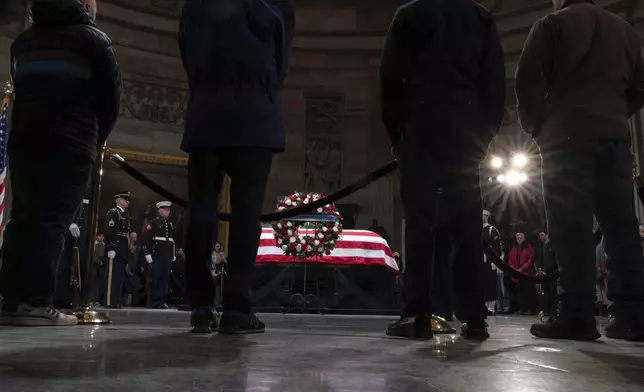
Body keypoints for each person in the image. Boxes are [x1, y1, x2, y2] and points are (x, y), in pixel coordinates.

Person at [516, 0, 644, 341]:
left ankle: (577, 315)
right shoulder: (625, 30)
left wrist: (537, 129)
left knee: (570, 229)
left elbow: (527, 82)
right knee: (622, 228)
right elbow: (640, 86)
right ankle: (632, 316)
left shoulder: (551, 25)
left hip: (565, 140)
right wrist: (614, 115)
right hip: (615, 139)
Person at [380, 0, 506, 340]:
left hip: (420, 125)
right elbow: (494, 80)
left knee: (420, 221)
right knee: (468, 223)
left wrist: (397, 134)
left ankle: (416, 313)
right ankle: (475, 315)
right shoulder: (480, 17)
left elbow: (391, 77)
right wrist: (485, 133)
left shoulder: (409, 14)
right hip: (466, 128)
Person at [0, 0, 120, 326]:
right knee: (52, 220)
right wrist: (94, 140)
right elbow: (110, 102)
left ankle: (10, 301)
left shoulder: (23, 42)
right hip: (71, 142)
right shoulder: (95, 40)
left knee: (22, 218)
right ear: (83, 5)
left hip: (25, 140)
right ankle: (36, 303)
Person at [179, 0, 294, 334]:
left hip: (205, 113)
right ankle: (237, 309)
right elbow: (282, 63)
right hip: (255, 115)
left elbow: (187, 54)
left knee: (200, 209)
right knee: (247, 215)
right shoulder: (276, 5)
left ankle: (200, 306)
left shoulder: (194, 6)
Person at [144, 201, 176, 309]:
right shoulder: (154, 222)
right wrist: (147, 253)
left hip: (167, 254)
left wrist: (173, 253)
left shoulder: (170, 223)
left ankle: (162, 300)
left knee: (164, 278)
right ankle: (154, 301)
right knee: (155, 278)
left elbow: (172, 240)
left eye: (168, 209)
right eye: (165, 209)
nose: (167, 211)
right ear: (159, 210)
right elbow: (148, 239)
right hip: (157, 253)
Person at [103, 191, 131, 309]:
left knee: (118, 275)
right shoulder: (114, 213)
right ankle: (109, 301)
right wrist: (111, 247)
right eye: (125, 199)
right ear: (118, 200)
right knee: (112, 275)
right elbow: (110, 231)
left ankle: (115, 300)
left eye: (128, 200)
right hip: (115, 248)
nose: (127, 202)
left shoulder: (124, 214)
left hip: (122, 248)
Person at [508, 233, 537, 315]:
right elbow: (511, 260)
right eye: (518, 238)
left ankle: (530, 309)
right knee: (520, 293)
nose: (519, 239)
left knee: (528, 291)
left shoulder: (529, 247)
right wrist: (514, 270)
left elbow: (530, 259)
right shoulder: (514, 248)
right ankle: (522, 308)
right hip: (518, 274)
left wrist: (522, 268)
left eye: (521, 238)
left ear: (524, 238)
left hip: (527, 273)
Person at [482, 210, 501, 315]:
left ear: (487, 217)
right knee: (483, 284)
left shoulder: (491, 229)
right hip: (481, 261)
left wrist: (495, 262)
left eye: (484, 216)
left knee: (491, 284)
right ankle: (483, 305)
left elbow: (496, 246)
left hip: (489, 261)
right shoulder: (478, 229)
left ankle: (491, 307)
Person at [535, 230, 558, 318]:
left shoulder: (553, 246)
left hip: (552, 274)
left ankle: (554, 311)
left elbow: (553, 261)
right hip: (545, 274)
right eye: (540, 235)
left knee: (553, 293)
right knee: (546, 293)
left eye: (542, 235)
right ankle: (547, 311)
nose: (541, 237)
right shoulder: (543, 247)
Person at [123, 231, 145, 307]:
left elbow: (141, 257)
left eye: (135, 237)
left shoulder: (139, 246)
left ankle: (135, 302)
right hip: (127, 267)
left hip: (136, 269)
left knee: (136, 286)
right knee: (126, 285)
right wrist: (126, 265)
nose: (134, 239)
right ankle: (124, 301)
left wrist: (142, 266)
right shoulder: (126, 246)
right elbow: (125, 255)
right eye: (132, 237)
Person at [211, 242, 228, 307]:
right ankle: (216, 302)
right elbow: (212, 262)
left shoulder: (222, 253)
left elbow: (225, 262)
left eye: (218, 246)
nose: (217, 247)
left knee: (221, 287)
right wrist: (215, 270)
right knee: (216, 286)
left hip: (221, 272)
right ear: (214, 247)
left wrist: (222, 269)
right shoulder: (212, 253)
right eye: (216, 246)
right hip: (215, 272)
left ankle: (221, 302)